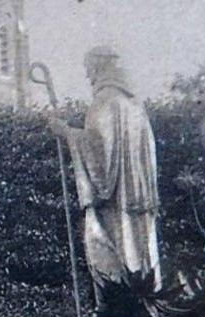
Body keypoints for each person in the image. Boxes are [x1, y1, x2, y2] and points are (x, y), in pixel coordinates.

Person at [48, 45, 163, 303]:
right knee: (143, 258)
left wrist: (66, 133)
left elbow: (100, 158)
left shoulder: (105, 103)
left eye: (90, 69)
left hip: (115, 206)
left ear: (100, 67)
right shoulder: (135, 107)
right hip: (139, 204)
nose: (89, 76)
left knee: (114, 257)